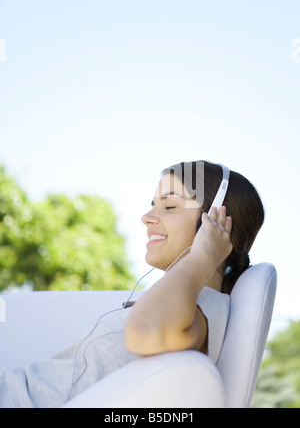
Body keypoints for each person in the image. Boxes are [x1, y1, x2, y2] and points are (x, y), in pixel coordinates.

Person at [0, 160, 264, 408]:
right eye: (153, 204)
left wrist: (203, 254)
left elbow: (148, 330)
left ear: (214, 222)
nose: (146, 217)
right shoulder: (182, 301)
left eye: (170, 206)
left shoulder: (206, 308)